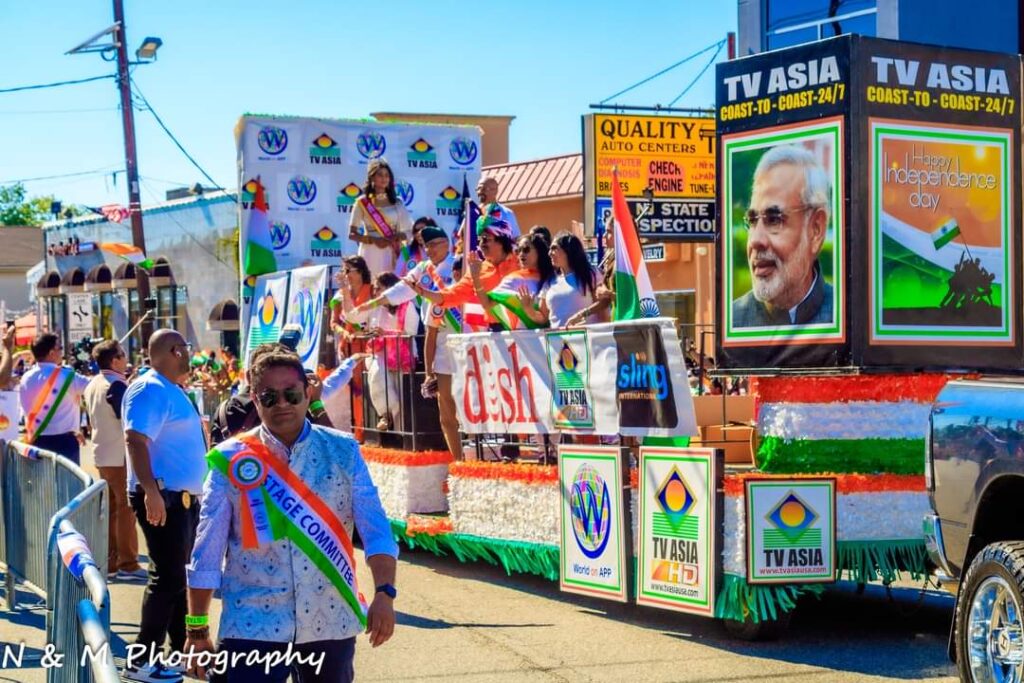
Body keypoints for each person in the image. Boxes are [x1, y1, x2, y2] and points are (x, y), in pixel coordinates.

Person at [184, 349, 398, 682]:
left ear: (308, 392)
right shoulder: (230, 460)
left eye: (291, 394)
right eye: (270, 396)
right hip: (252, 624)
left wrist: (385, 593)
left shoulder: (344, 451)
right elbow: (206, 549)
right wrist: (197, 629)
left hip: (330, 619)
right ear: (256, 400)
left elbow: (377, 530)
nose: (282, 404)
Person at [122, 329, 208, 683]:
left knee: (177, 578)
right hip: (163, 496)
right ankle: (141, 660)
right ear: (175, 351)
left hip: (178, 498)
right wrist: (150, 490)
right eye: (186, 348)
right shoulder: (150, 388)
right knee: (167, 578)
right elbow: (135, 439)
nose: (190, 354)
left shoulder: (168, 388)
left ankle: (179, 651)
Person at [352, 225, 462, 458]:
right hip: (439, 340)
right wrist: (370, 304)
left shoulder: (458, 265)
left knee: (467, 403)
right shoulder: (423, 269)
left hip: (463, 337)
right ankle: (458, 459)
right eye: (425, 246)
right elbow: (401, 290)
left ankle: (476, 453)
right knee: (446, 408)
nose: (429, 250)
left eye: (433, 244)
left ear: (446, 243)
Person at [732, 144, 834, 327]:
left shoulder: (845, 316)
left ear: (816, 229)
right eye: (752, 220)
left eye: (774, 219)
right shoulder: (733, 320)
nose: (755, 240)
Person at [83, 340, 146, 581]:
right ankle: (128, 563)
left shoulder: (93, 383)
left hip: (101, 453)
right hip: (119, 455)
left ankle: (111, 562)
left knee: (111, 509)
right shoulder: (116, 385)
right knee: (125, 508)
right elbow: (127, 418)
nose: (126, 358)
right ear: (115, 360)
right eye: (122, 355)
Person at [415, 219, 518, 331]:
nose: (481, 244)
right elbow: (453, 294)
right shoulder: (478, 269)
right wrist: (423, 292)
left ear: (502, 241)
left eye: (486, 239)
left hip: (525, 329)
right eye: (480, 239)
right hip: (497, 332)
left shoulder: (520, 263)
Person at [18, 332, 90, 463]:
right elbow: (92, 387)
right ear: (51, 353)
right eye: (60, 348)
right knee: (67, 477)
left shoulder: (26, 377)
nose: (62, 352)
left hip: (35, 439)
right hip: (64, 442)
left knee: (40, 476)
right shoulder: (66, 375)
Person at [365, 272, 420, 432]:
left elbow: (411, 333)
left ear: (391, 289)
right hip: (380, 352)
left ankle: (401, 433)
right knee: (377, 371)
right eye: (375, 289)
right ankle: (386, 414)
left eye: (379, 288)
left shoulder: (407, 306)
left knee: (400, 393)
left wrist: (386, 333)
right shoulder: (376, 309)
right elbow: (372, 328)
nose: (375, 293)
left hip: (403, 353)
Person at [330, 256, 373, 439]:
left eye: (348, 271)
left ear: (360, 272)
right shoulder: (339, 295)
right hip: (349, 346)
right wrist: (344, 332)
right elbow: (333, 323)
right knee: (355, 389)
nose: (345, 275)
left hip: (370, 344)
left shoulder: (373, 292)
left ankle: (373, 428)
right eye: (343, 271)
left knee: (371, 385)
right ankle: (359, 431)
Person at [520, 232, 599, 329]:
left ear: (568, 250)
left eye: (554, 248)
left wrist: (582, 314)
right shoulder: (550, 281)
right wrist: (528, 309)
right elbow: (543, 317)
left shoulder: (591, 274)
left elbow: (604, 302)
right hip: (557, 338)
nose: (549, 253)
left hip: (585, 337)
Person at [348, 159, 412, 276]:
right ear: (372, 178)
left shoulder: (397, 202)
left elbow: (409, 231)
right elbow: (352, 234)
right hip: (370, 251)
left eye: (387, 175)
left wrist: (396, 237)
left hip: (392, 249)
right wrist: (374, 240)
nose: (384, 178)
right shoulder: (362, 202)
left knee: (391, 282)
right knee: (371, 282)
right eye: (380, 175)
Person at [566, 221, 614, 327]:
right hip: (617, 319)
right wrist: (582, 314)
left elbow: (633, 297)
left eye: (609, 232)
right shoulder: (611, 259)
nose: (604, 235)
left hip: (630, 321)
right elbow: (605, 301)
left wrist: (609, 294)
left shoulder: (627, 262)